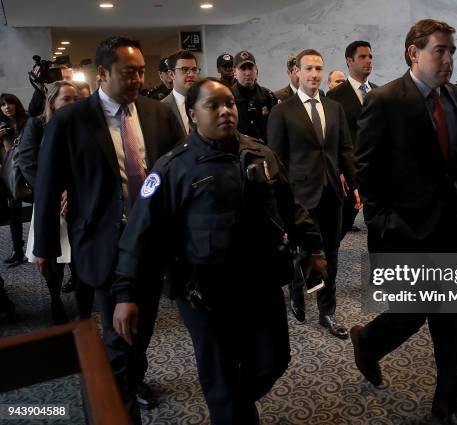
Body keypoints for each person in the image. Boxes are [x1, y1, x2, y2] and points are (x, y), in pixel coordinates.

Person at [111, 77, 326, 425]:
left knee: (274, 360)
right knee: (221, 380)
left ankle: (237, 404)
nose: (226, 111)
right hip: (204, 294)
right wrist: (126, 294)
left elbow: (291, 207)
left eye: (229, 103)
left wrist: (315, 248)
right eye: (213, 105)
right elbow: (140, 236)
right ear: (192, 114)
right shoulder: (172, 168)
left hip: (260, 282)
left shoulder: (261, 153)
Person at [32, 36, 184, 424]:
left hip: (150, 241)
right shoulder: (71, 120)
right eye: (127, 72)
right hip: (103, 242)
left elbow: (178, 171)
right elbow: (48, 188)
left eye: (140, 71)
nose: (137, 79)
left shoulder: (156, 113)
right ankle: (119, 406)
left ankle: (131, 377)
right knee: (120, 336)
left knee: (141, 326)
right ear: (102, 74)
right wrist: (45, 249)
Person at [350, 20, 457, 424]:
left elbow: (453, 162)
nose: (448, 58)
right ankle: (368, 342)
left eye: (451, 51)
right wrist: (382, 222)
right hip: (405, 230)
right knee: (411, 311)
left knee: (451, 316)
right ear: (414, 52)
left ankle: (449, 403)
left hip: (451, 228)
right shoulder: (387, 100)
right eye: (440, 50)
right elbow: (367, 168)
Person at [268, 49, 359, 339]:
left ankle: (327, 312)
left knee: (330, 253)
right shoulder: (282, 111)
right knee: (303, 251)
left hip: (332, 192)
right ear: (297, 72)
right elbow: (276, 159)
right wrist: (282, 199)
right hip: (299, 196)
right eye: (308, 69)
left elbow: (345, 149)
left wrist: (355, 185)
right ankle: (296, 290)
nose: (315, 74)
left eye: (319, 68)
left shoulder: (334, 108)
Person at [19, 81, 79, 324]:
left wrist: (74, 190)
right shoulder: (37, 124)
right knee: (52, 256)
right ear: (52, 102)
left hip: (77, 201)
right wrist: (56, 191)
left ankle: (81, 297)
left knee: (77, 253)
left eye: (76, 99)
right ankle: (55, 300)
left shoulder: (83, 125)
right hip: (50, 203)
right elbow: (28, 163)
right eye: (66, 99)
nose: (72, 104)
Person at [328, 40, 377, 238]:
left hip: (377, 172)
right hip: (350, 173)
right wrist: (338, 170)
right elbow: (332, 138)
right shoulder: (334, 96)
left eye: (370, 56)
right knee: (340, 228)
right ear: (350, 61)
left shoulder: (379, 92)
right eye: (363, 57)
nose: (368, 61)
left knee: (380, 229)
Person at [0, 93, 29, 267]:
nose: (6, 107)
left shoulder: (27, 122)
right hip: (10, 176)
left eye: (9, 103)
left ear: (16, 105)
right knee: (14, 213)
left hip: (28, 171)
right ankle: (18, 250)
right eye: (3, 105)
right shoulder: (1, 126)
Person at [232, 50, 277, 143]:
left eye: (250, 68)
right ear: (234, 72)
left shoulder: (268, 96)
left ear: (256, 70)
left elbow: (277, 129)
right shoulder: (227, 97)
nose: (248, 73)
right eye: (243, 68)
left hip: (265, 151)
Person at [162, 50, 200, 134]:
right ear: (171, 74)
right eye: (184, 69)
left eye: (194, 69)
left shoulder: (207, 100)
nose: (191, 74)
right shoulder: (161, 108)